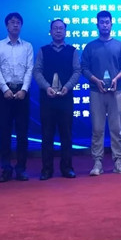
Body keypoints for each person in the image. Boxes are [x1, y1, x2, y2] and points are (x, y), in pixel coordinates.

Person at [81, 10, 121, 175]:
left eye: (107, 22)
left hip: (116, 92)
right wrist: (96, 80)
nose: (104, 25)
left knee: (117, 129)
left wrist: (117, 78)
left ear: (111, 24)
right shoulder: (90, 47)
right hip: (97, 92)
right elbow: (84, 68)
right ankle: (97, 163)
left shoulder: (119, 45)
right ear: (97, 25)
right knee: (97, 129)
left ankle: (118, 162)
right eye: (101, 22)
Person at [33, 19, 81, 180]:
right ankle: (47, 169)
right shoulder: (43, 50)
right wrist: (47, 87)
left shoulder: (72, 51)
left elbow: (77, 71)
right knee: (47, 135)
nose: (58, 31)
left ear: (65, 31)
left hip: (66, 98)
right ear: (51, 31)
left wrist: (68, 87)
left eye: (61, 28)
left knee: (66, 134)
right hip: (47, 98)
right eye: (55, 28)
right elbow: (37, 71)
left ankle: (67, 167)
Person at [0, 12, 34, 182]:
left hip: (22, 93)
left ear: (21, 26)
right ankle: (6, 169)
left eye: (18, 22)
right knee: (5, 133)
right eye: (12, 22)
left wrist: (24, 90)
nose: (15, 25)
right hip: (5, 94)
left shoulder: (27, 46)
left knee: (22, 133)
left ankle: (21, 168)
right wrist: (4, 89)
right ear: (7, 25)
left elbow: (30, 69)